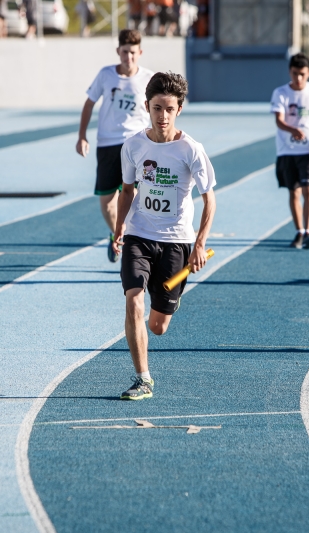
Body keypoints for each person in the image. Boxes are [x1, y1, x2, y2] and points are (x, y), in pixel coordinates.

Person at [112, 72, 216, 400]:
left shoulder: (191, 150)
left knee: (158, 326)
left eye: (169, 109)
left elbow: (210, 200)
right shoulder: (133, 146)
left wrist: (199, 244)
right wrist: (119, 226)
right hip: (139, 235)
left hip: (176, 242)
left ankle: (170, 296)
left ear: (179, 109)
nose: (163, 116)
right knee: (133, 298)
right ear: (147, 106)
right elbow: (127, 190)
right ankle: (142, 378)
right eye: (157, 108)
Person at [76, 29, 154, 263]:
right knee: (107, 203)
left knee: (136, 196)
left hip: (137, 144)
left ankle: (135, 240)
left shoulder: (148, 78)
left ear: (140, 53)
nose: (128, 57)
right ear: (118, 51)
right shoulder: (106, 75)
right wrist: (82, 136)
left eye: (133, 52)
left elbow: (157, 109)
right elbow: (89, 104)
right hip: (108, 144)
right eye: (124, 52)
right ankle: (117, 233)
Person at [270, 53, 309, 249]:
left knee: (308, 190)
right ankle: (299, 232)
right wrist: (292, 129)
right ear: (290, 72)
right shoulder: (280, 93)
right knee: (294, 192)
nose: (299, 78)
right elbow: (279, 120)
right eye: (295, 74)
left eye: (302, 74)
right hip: (287, 151)